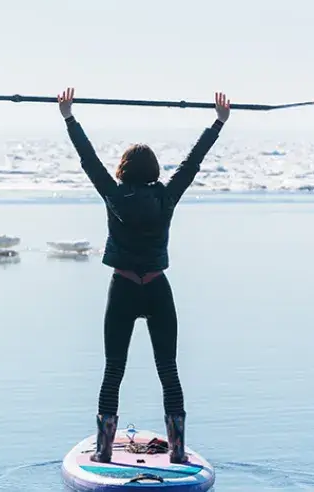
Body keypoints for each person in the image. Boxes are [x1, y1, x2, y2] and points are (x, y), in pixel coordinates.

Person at [57, 87, 231, 464]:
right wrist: (217, 123)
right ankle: (178, 452)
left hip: (122, 289)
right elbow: (191, 164)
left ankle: (103, 453)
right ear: (153, 172)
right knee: (168, 370)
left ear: (122, 171)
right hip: (156, 289)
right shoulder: (166, 197)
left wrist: (69, 117)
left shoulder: (114, 196)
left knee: (113, 370)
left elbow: (88, 161)